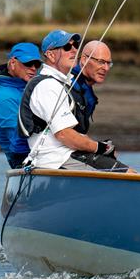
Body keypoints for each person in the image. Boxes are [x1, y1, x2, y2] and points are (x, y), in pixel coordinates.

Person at [19, 29, 130, 172]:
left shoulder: (62, 83)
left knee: (123, 169)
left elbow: (74, 134)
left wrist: (100, 148)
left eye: (75, 46)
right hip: (57, 160)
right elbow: (64, 135)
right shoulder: (48, 85)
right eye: (66, 47)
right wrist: (101, 147)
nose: (74, 50)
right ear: (51, 55)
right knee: (126, 173)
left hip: (68, 155)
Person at [0, 42, 42, 168]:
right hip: (22, 160)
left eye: (37, 64)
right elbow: (18, 142)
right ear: (13, 63)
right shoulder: (4, 98)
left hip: (41, 153)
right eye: (28, 63)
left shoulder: (30, 87)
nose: (33, 68)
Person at [69, 40, 113, 133]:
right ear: (84, 59)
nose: (106, 68)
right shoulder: (69, 85)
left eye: (108, 63)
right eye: (101, 62)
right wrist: (96, 147)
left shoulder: (85, 86)